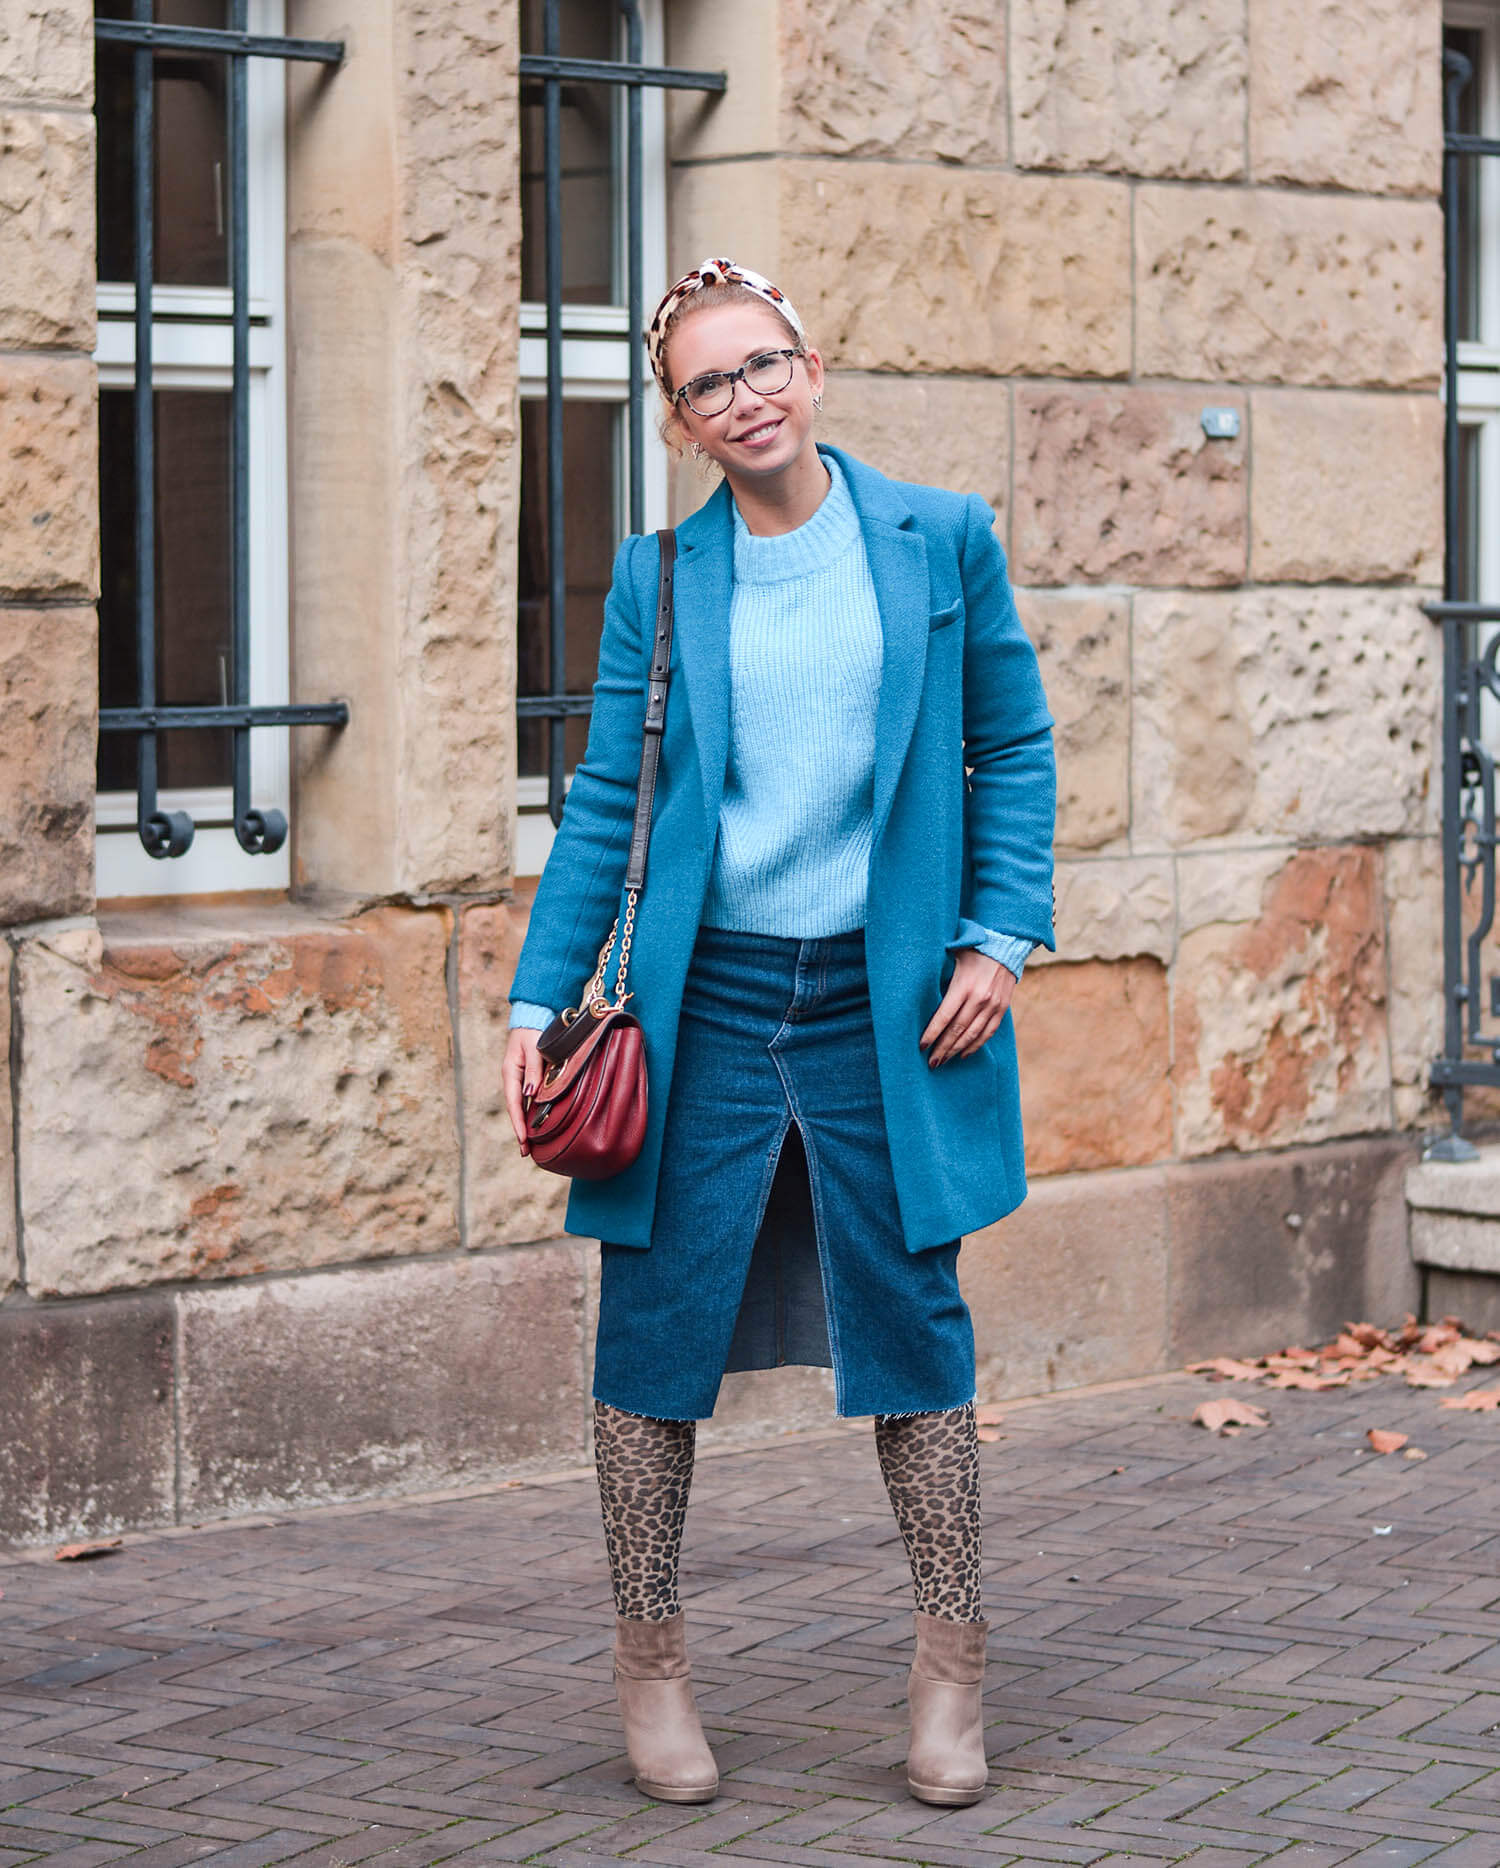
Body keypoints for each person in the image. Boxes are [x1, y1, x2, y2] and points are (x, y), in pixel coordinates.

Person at [503, 258, 1055, 1808]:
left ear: (813, 371)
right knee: (654, 1332)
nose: (743, 397)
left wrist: (1001, 937)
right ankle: (649, 1659)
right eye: (707, 384)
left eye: (764, 366)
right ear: (680, 423)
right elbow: (609, 800)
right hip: (710, 1002)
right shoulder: (660, 579)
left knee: (912, 1321)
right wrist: (540, 999)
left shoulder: (937, 539)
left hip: (889, 1001)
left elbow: (1011, 743)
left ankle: (953, 1668)